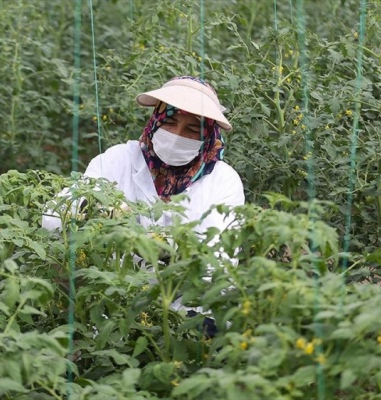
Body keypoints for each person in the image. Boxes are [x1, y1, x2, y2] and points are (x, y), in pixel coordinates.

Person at [42, 76, 245, 336]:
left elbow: (219, 272)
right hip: (115, 304)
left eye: (193, 130)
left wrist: (168, 250)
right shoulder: (118, 160)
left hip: (188, 314)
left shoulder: (223, 181)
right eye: (169, 122)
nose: (176, 136)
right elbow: (52, 219)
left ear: (209, 135)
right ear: (155, 120)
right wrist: (97, 212)